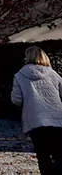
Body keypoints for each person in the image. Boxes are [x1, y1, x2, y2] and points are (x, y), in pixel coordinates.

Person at [11, 46, 62, 175]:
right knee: (59, 154)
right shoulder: (53, 74)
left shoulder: (20, 75)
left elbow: (16, 100)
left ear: (27, 57)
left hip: (35, 121)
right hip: (57, 119)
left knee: (43, 156)